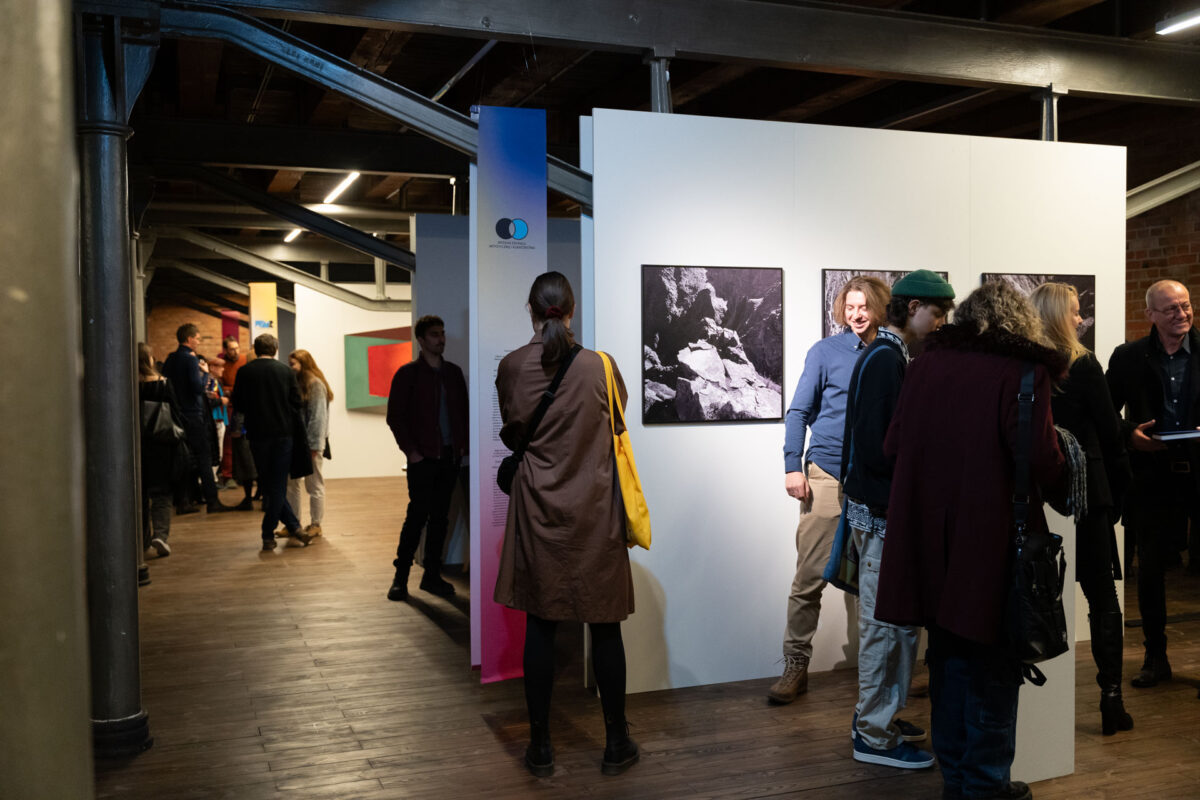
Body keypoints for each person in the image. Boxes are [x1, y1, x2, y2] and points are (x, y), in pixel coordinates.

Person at [875, 281, 1066, 800]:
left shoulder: (925, 365)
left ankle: (958, 778)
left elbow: (893, 445)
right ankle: (984, 785)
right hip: (990, 538)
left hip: (928, 539)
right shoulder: (1023, 371)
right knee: (992, 661)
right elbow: (1040, 459)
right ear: (1020, 323)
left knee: (946, 656)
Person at [494, 271, 638, 778]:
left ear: (531, 310)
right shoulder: (602, 366)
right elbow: (616, 423)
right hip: (596, 510)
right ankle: (616, 742)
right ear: (571, 311)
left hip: (539, 509)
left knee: (541, 626)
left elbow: (513, 432)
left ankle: (540, 748)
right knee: (605, 627)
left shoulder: (511, 367)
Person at [840, 270, 954, 769]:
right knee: (887, 627)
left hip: (879, 511)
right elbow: (877, 446)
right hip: (882, 514)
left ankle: (876, 717)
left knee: (890, 625)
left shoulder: (886, 355)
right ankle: (874, 734)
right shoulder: (887, 359)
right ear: (913, 309)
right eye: (937, 313)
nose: (940, 323)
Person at [770, 275, 890, 704]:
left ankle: (881, 671)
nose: (857, 315)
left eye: (865, 307)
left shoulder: (891, 353)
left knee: (877, 580)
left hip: (874, 480)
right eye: (850, 307)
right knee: (809, 578)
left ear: (878, 308)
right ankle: (795, 664)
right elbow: (798, 412)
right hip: (826, 476)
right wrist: (793, 466)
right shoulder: (824, 352)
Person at [1031, 282, 1134, 734]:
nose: (1080, 319)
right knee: (1101, 592)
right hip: (1087, 490)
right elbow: (1111, 431)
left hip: (1041, 488)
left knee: (1039, 587)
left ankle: (1040, 700)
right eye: (1074, 311)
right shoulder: (1083, 364)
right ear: (1058, 316)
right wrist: (1122, 487)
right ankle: (1111, 697)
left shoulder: (1024, 365)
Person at [1106, 279, 1200, 689]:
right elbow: (1105, 413)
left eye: (1186, 305)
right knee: (1150, 570)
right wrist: (1130, 435)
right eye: (1171, 309)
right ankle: (1155, 657)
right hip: (1151, 477)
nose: (1182, 314)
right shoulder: (1128, 357)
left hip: (1198, 471)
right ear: (1151, 315)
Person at [385, 315, 468, 600]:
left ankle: (432, 576)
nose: (441, 339)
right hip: (422, 459)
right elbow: (395, 417)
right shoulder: (408, 374)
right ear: (421, 340)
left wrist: (461, 447)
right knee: (416, 517)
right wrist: (412, 452)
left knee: (440, 519)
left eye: (442, 333)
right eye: (434, 334)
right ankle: (400, 577)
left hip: (449, 458)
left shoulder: (453, 373)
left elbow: (463, 413)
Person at [232, 333, 313, 551]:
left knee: (269, 483)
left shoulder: (244, 372)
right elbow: (296, 402)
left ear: (256, 349)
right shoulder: (285, 371)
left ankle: (274, 533)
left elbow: (238, 404)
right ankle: (281, 530)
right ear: (275, 350)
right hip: (283, 435)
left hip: (257, 435)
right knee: (276, 484)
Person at [161, 323, 230, 514]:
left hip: (176, 414)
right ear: (189, 339)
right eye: (198, 339)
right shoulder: (190, 360)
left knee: (183, 457)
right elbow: (198, 388)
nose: (199, 342)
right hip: (192, 414)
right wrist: (205, 374)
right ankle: (212, 501)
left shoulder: (171, 359)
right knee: (203, 457)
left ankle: (184, 501)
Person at [138, 343, 184, 558]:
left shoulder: (129, 386)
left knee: (141, 495)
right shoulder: (163, 384)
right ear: (149, 359)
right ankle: (161, 536)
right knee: (162, 493)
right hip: (163, 444)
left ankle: (143, 540)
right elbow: (176, 412)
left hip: (139, 445)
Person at [286, 349, 332, 539]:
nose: (291, 368)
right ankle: (293, 524)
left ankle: (316, 524)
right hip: (297, 442)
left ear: (303, 364)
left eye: (293, 364)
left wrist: (314, 445)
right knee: (292, 483)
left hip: (311, 444)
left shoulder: (315, 385)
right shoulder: (299, 384)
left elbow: (318, 418)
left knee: (314, 484)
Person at [218, 336, 245, 488]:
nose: (235, 351)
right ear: (225, 350)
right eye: (231, 349)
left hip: (243, 406)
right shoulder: (222, 364)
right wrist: (230, 390)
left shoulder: (244, 360)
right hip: (229, 407)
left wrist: (231, 389)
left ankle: (245, 474)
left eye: (237, 348)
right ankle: (228, 475)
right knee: (228, 442)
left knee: (244, 443)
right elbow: (220, 386)